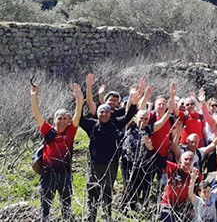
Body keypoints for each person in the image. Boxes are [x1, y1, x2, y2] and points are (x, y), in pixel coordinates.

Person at [80, 81, 142, 222]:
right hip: (94, 165)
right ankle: (91, 217)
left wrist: (133, 102)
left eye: (107, 112)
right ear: (98, 113)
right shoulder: (92, 125)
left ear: (110, 113)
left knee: (107, 191)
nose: (104, 114)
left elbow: (128, 116)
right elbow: (80, 119)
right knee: (93, 192)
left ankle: (107, 216)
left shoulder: (115, 123)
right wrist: (80, 101)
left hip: (111, 164)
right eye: (101, 111)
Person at [30, 82, 83, 222]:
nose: (62, 121)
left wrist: (79, 99)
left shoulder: (70, 132)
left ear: (68, 120)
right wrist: (34, 97)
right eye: (59, 118)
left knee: (66, 206)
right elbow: (37, 115)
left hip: (64, 174)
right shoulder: (48, 131)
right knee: (45, 207)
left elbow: (77, 115)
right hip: (48, 175)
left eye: (65, 119)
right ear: (54, 120)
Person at [121, 107, 171, 212]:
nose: (143, 121)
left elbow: (162, 122)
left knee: (137, 185)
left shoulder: (148, 129)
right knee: (129, 185)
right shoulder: (130, 126)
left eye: (146, 119)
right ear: (136, 118)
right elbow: (129, 112)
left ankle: (134, 207)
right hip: (128, 162)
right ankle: (123, 207)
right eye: (141, 118)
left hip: (141, 163)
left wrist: (170, 108)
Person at [159, 151, 202, 222]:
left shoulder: (196, 174)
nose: (188, 161)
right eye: (186, 159)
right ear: (181, 161)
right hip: (167, 204)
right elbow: (160, 161)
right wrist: (151, 149)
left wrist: (192, 207)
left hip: (183, 207)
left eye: (191, 159)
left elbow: (199, 192)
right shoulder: (175, 168)